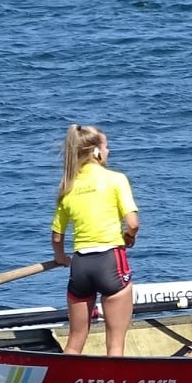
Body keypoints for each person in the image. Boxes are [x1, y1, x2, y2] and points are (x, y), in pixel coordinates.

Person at [49, 123, 140, 357]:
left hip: (80, 266)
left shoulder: (66, 187)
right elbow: (132, 223)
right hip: (110, 260)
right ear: (96, 152)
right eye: (107, 147)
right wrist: (128, 238)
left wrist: (61, 258)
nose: (108, 152)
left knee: (74, 342)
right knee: (115, 345)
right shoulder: (115, 179)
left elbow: (57, 236)